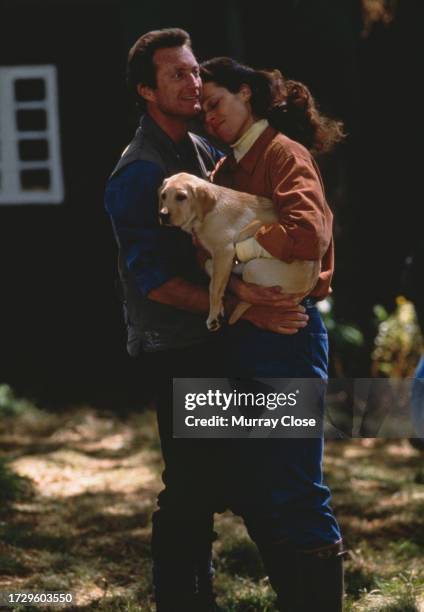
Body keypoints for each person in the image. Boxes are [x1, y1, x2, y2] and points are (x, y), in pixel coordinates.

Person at [104, 30, 309, 612]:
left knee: (245, 475)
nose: (194, 84)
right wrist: (243, 295)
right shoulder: (139, 174)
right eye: (177, 75)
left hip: (222, 340)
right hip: (177, 348)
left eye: (196, 72)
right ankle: (184, 600)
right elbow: (158, 283)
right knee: (193, 486)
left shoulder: (200, 150)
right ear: (147, 90)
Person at [199, 56, 346, 611]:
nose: (209, 117)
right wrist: (238, 286)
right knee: (259, 488)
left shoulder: (284, 154)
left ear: (247, 95)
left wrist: (243, 249)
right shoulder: (226, 170)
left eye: (217, 103)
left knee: (295, 487)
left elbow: (308, 234)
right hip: (248, 334)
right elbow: (200, 245)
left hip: (288, 334)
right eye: (203, 110)